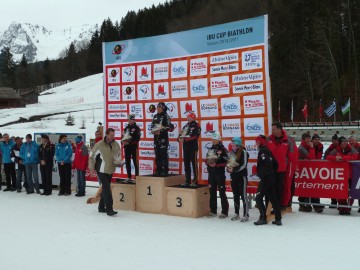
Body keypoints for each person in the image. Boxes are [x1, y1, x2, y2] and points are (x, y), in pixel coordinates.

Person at [89, 128, 121, 216]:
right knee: (107, 188)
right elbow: (91, 156)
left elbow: (118, 156)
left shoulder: (116, 144)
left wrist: (119, 162)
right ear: (106, 135)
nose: (112, 137)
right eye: (111, 135)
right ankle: (109, 209)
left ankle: (101, 207)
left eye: (113, 135)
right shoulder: (99, 144)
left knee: (105, 188)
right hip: (101, 170)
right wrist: (91, 169)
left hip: (110, 169)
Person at [254, 135, 282, 226]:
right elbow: (276, 163)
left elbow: (268, 162)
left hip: (266, 178)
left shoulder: (263, 150)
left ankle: (263, 218)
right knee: (273, 198)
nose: (256, 144)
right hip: (270, 178)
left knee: (258, 198)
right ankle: (278, 219)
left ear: (261, 142)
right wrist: (271, 173)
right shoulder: (267, 150)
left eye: (257, 142)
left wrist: (263, 173)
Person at [267, 123, 296, 207]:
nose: (272, 131)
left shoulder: (288, 140)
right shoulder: (268, 139)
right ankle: (269, 206)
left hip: (281, 169)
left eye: (274, 129)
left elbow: (291, 156)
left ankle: (279, 205)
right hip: (270, 169)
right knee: (270, 188)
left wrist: (290, 167)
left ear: (280, 129)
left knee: (280, 188)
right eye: (272, 129)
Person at [326, 136, 357, 215]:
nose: (345, 143)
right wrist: (335, 158)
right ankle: (341, 207)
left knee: (351, 192)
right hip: (341, 175)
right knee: (340, 192)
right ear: (340, 143)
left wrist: (342, 158)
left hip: (351, 174)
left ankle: (348, 207)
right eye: (343, 142)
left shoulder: (351, 149)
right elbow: (328, 157)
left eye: (346, 141)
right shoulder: (336, 150)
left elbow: (355, 156)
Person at [206, 131, 229, 219]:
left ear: (219, 139)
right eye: (213, 139)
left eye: (215, 139)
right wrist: (209, 163)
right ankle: (213, 210)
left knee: (222, 192)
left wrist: (217, 165)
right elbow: (206, 159)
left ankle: (224, 212)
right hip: (211, 173)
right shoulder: (210, 149)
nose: (213, 140)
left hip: (219, 173)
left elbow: (227, 161)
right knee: (212, 192)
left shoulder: (223, 149)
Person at [226, 137, 249, 222]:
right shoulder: (232, 152)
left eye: (233, 142)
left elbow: (244, 165)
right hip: (234, 177)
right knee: (235, 195)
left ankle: (246, 214)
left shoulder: (244, 152)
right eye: (231, 142)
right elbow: (229, 163)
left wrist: (234, 169)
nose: (232, 144)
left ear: (237, 143)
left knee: (243, 195)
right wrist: (228, 168)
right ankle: (236, 213)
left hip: (241, 177)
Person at [150, 102, 174, 177]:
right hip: (156, 138)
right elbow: (152, 126)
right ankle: (158, 169)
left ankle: (165, 170)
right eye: (157, 107)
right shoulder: (155, 116)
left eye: (159, 107)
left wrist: (161, 131)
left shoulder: (166, 116)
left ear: (163, 108)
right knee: (157, 154)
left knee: (163, 154)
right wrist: (154, 131)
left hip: (163, 138)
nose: (158, 109)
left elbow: (169, 127)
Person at [178, 111, 201, 187]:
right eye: (187, 117)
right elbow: (180, 135)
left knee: (194, 164)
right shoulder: (185, 126)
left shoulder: (196, 125)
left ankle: (195, 180)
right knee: (186, 164)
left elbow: (195, 137)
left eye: (189, 117)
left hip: (193, 147)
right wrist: (179, 139)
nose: (187, 118)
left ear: (193, 117)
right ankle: (187, 180)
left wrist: (185, 140)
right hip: (186, 147)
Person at [297, 133, 319, 212]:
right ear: (303, 139)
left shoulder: (305, 147)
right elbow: (311, 157)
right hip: (303, 170)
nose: (309, 140)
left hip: (307, 170)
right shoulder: (301, 148)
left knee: (308, 186)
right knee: (304, 186)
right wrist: (312, 148)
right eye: (307, 139)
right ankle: (303, 204)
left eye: (309, 138)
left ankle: (308, 204)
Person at [122, 114, 141, 183]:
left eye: (131, 120)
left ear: (134, 120)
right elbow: (123, 136)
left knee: (135, 162)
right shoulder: (126, 128)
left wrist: (130, 141)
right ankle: (129, 177)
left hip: (133, 147)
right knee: (127, 162)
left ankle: (136, 177)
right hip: (127, 147)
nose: (130, 121)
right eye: (129, 120)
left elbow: (138, 138)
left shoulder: (136, 128)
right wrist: (123, 141)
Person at [324, 134, 340, 208]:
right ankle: (333, 201)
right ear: (332, 141)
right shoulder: (329, 149)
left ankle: (341, 202)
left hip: (341, 171)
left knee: (341, 187)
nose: (336, 142)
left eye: (337, 140)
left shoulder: (342, 148)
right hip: (332, 171)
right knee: (333, 186)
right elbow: (325, 159)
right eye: (334, 140)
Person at [348, 135, 360, 212]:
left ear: (356, 141)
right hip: (350, 172)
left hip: (358, 171)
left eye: (353, 140)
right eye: (350, 141)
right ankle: (349, 205)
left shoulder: (359, 147)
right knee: (350, 189)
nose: (351, 142)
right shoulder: (347, 148)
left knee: (359, 189)